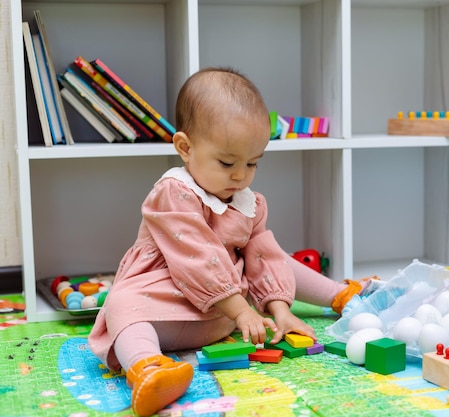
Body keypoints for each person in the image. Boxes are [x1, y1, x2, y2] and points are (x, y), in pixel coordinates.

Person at [88, 67, 375, 417]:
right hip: (160, 301)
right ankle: (148, 367)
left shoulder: (246, 201)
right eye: (227, 163)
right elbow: (197, 256)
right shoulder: (173, 192)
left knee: (274, 252)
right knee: (120, 306)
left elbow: (265, 259)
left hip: (217, 319)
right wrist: (240, 309)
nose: (240, 176)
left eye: (253, 163)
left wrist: (279, 310)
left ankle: (339, 294)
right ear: (185, 147)